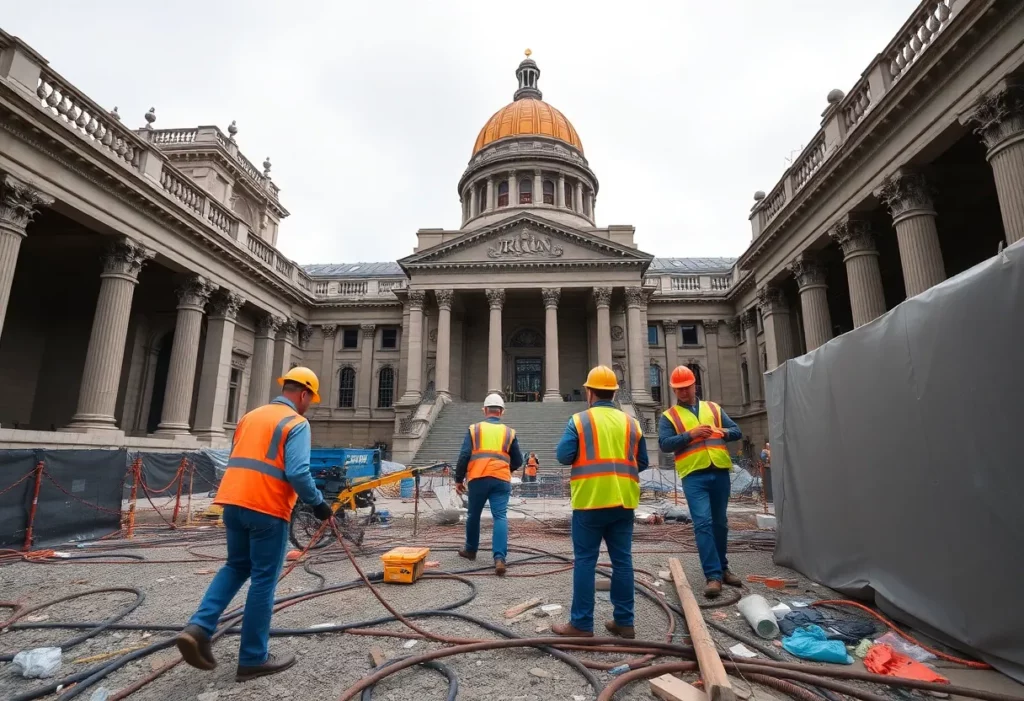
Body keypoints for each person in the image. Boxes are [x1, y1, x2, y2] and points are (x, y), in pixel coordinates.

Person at [176, 367, 334, 682]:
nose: (308, 406)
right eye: (309, 400)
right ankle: (252, 658)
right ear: (303, 394)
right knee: (263, 579)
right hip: (267, 507)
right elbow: (299, 472)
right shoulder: (296, 423)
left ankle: (199, 627)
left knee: (235, 566)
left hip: (232, 502)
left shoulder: (250, 416)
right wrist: (318, 505)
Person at [551, 366, 649, 639]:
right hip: (623, 500)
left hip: (591, 500)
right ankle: (625, 622)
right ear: (615, 393)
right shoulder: (632, 423)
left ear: (590, 392)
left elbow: (563, 455)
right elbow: (642, 462)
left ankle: (581, 625)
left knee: (585, 561)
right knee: (622, 561)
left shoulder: (579, 421)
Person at [658, 365, 743, 599]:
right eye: (679, 389)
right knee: (703, 523)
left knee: (720, 523)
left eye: (687, 387)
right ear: (674, 390)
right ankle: (713, 575)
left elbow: (736, 431)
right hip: (694, 474)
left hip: (719, 471)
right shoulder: (670, 416)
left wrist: (721, 432)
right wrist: (690, 435)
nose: (683, 392)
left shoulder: (713, 408)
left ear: (694, 384)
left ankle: (723, 568)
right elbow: (665, 444)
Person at [454, 393, 523, 575]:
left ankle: (470, 550)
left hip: (478, 478)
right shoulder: (509, 432)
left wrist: (458, 479)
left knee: (473, 515)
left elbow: (463, 456)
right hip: (500, 478)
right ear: (502, 412)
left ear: (485, 410)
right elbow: (518, 459)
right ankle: (499, 558)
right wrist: (507, 469)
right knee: (500, 516)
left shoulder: (474, 429)